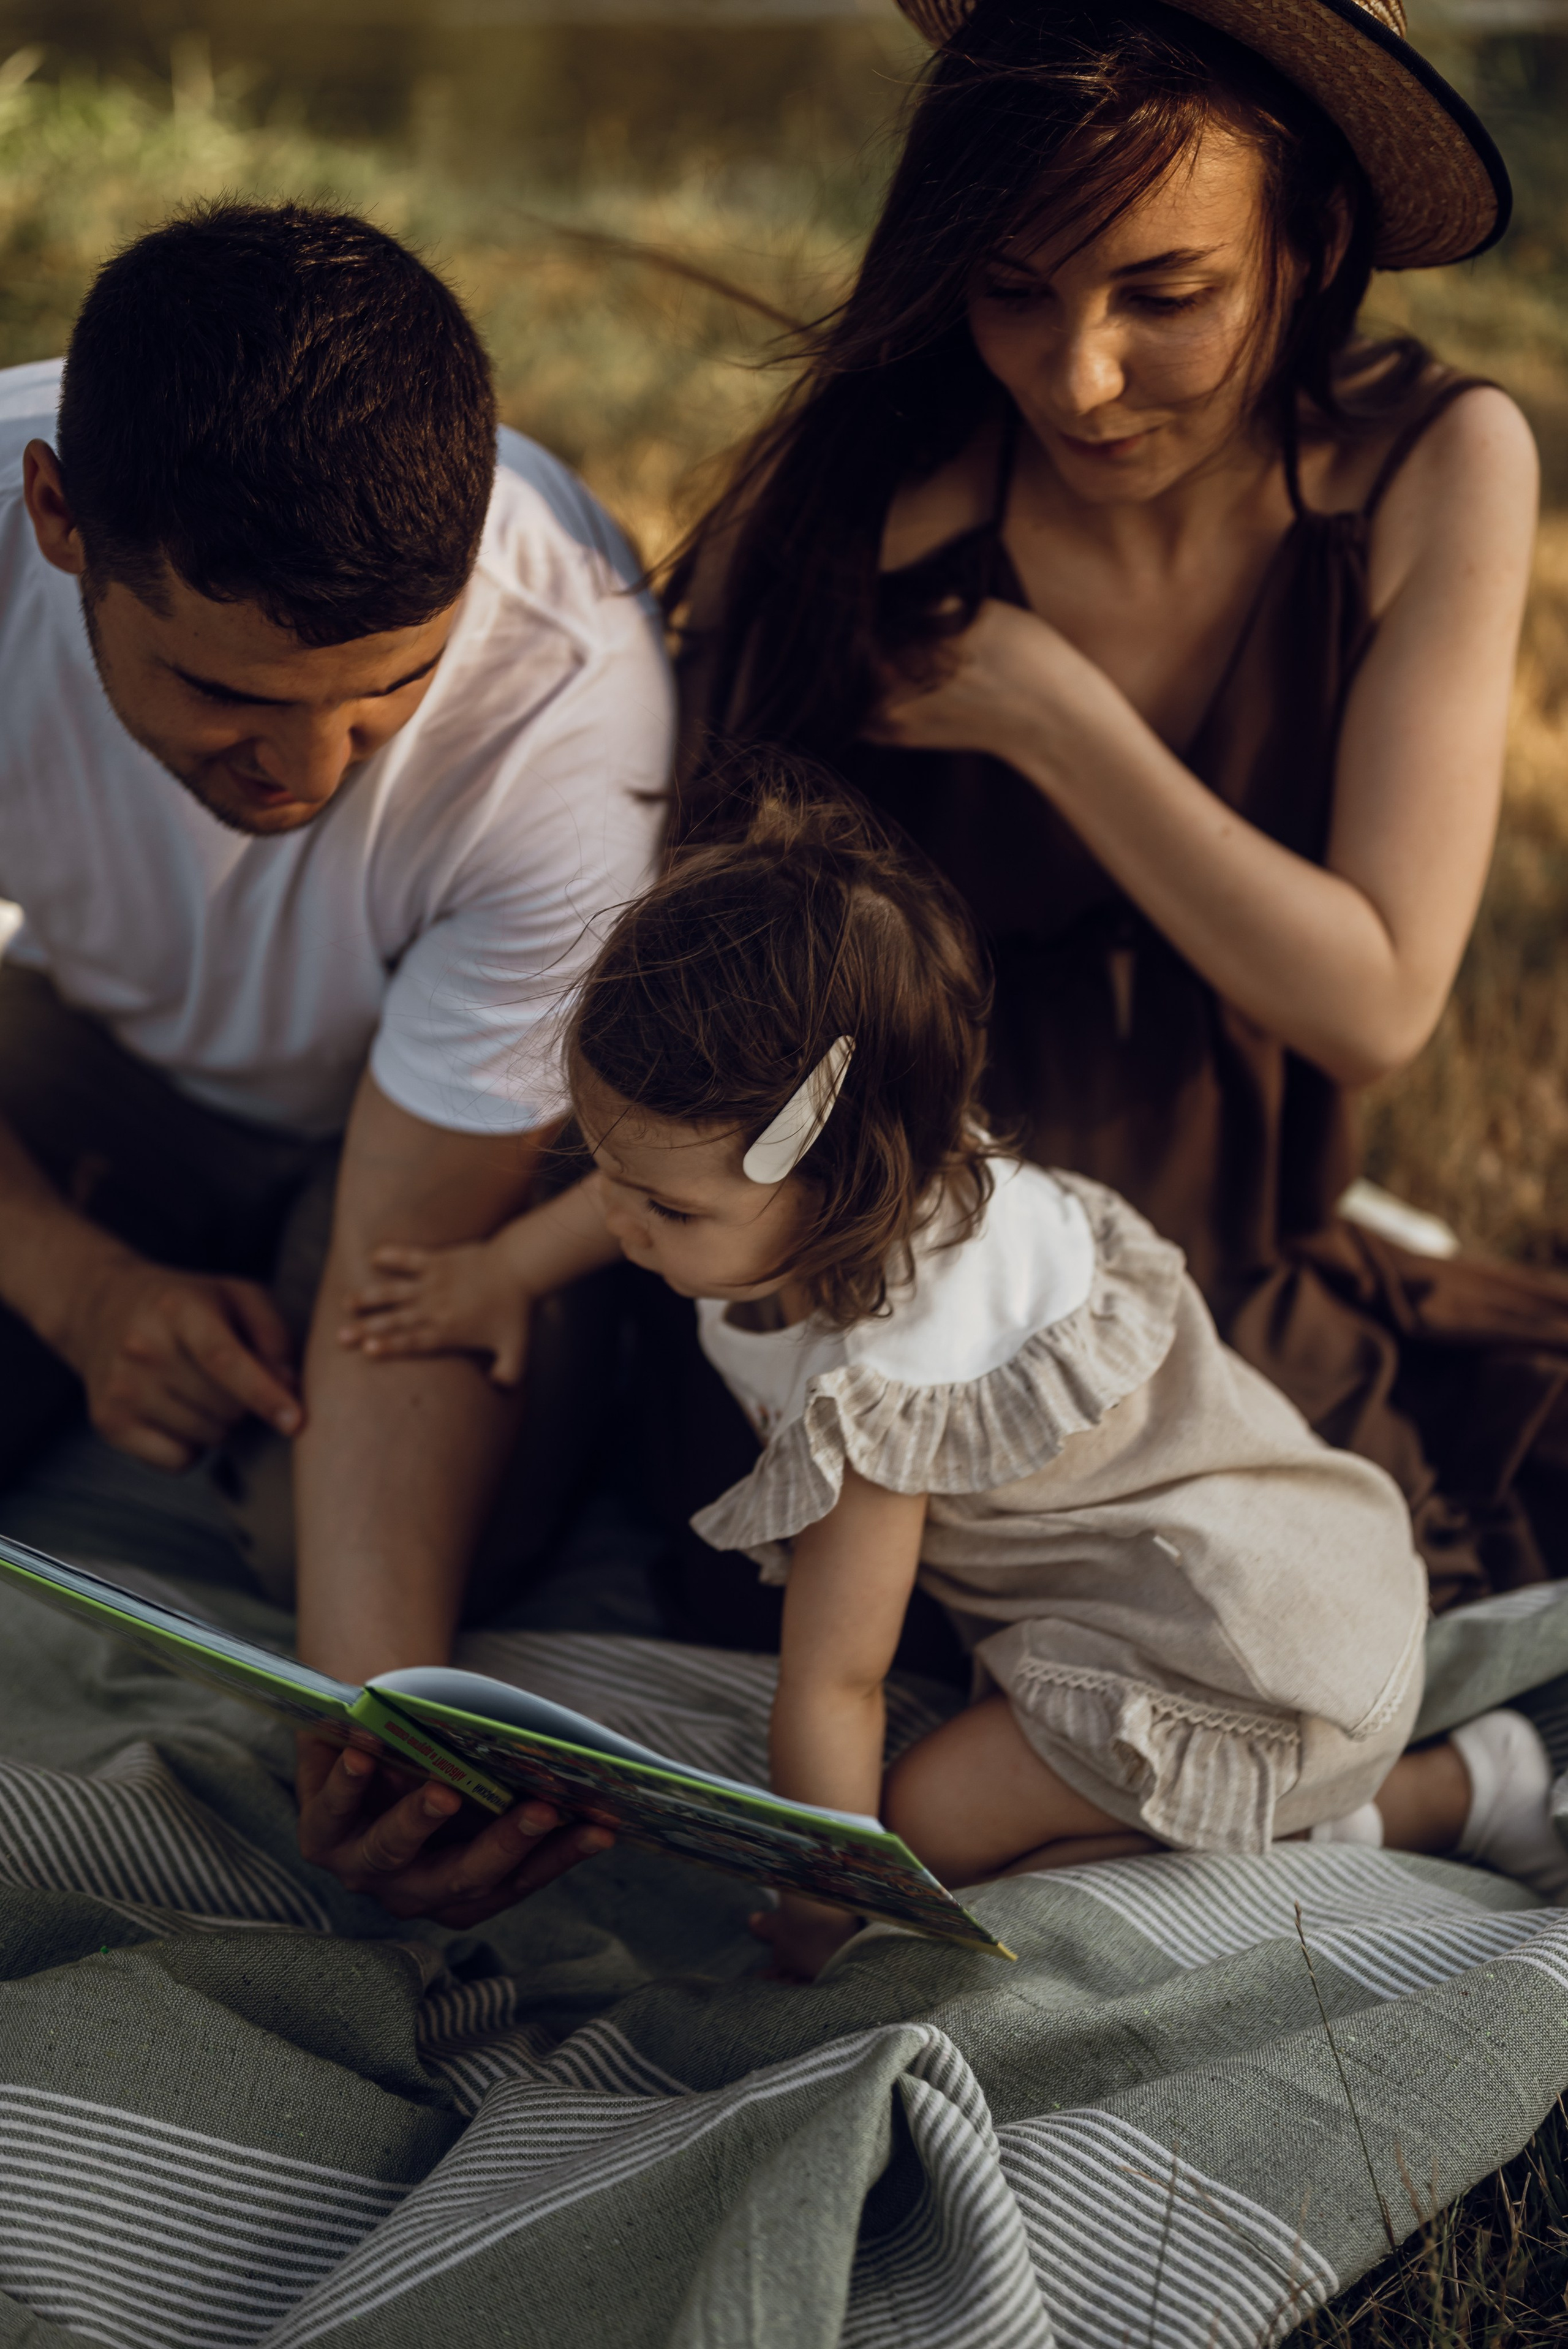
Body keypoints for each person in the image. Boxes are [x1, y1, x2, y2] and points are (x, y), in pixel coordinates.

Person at [662, 0, 1568, 1637]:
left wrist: (1051, 715)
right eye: (1013, 292)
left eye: (1168, 295)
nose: (1078, 380)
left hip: (1227, 1282)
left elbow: (1374, 1001)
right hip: (890, 1290)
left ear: (1315, 239)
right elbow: (698, 950)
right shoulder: (875, 507)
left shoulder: (1432, 463)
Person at [341, 780, 1568, 1980]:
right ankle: (1422, 1787)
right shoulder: (860, 1158)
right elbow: (630, 1196)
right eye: (601, 1164)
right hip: (1268, 1555)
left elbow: (836, 1675)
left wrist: (822, 1895)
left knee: (922, 1829)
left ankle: (1393, 1810)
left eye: (662, 1203)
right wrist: (501, 1271)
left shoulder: (883, 1390)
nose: (615, 1215)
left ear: (837, 1184)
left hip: (1228, 1663)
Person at [0, 200, 671, 1916]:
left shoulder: (573, 695)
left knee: (351, 1561)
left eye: (386, 695)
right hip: (84, 1037)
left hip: (418, 1153)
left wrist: (376, 1725)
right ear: (60, 518)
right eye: (228, 695)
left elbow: (413, 1261)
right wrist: (78, 1286)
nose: (309, 768)